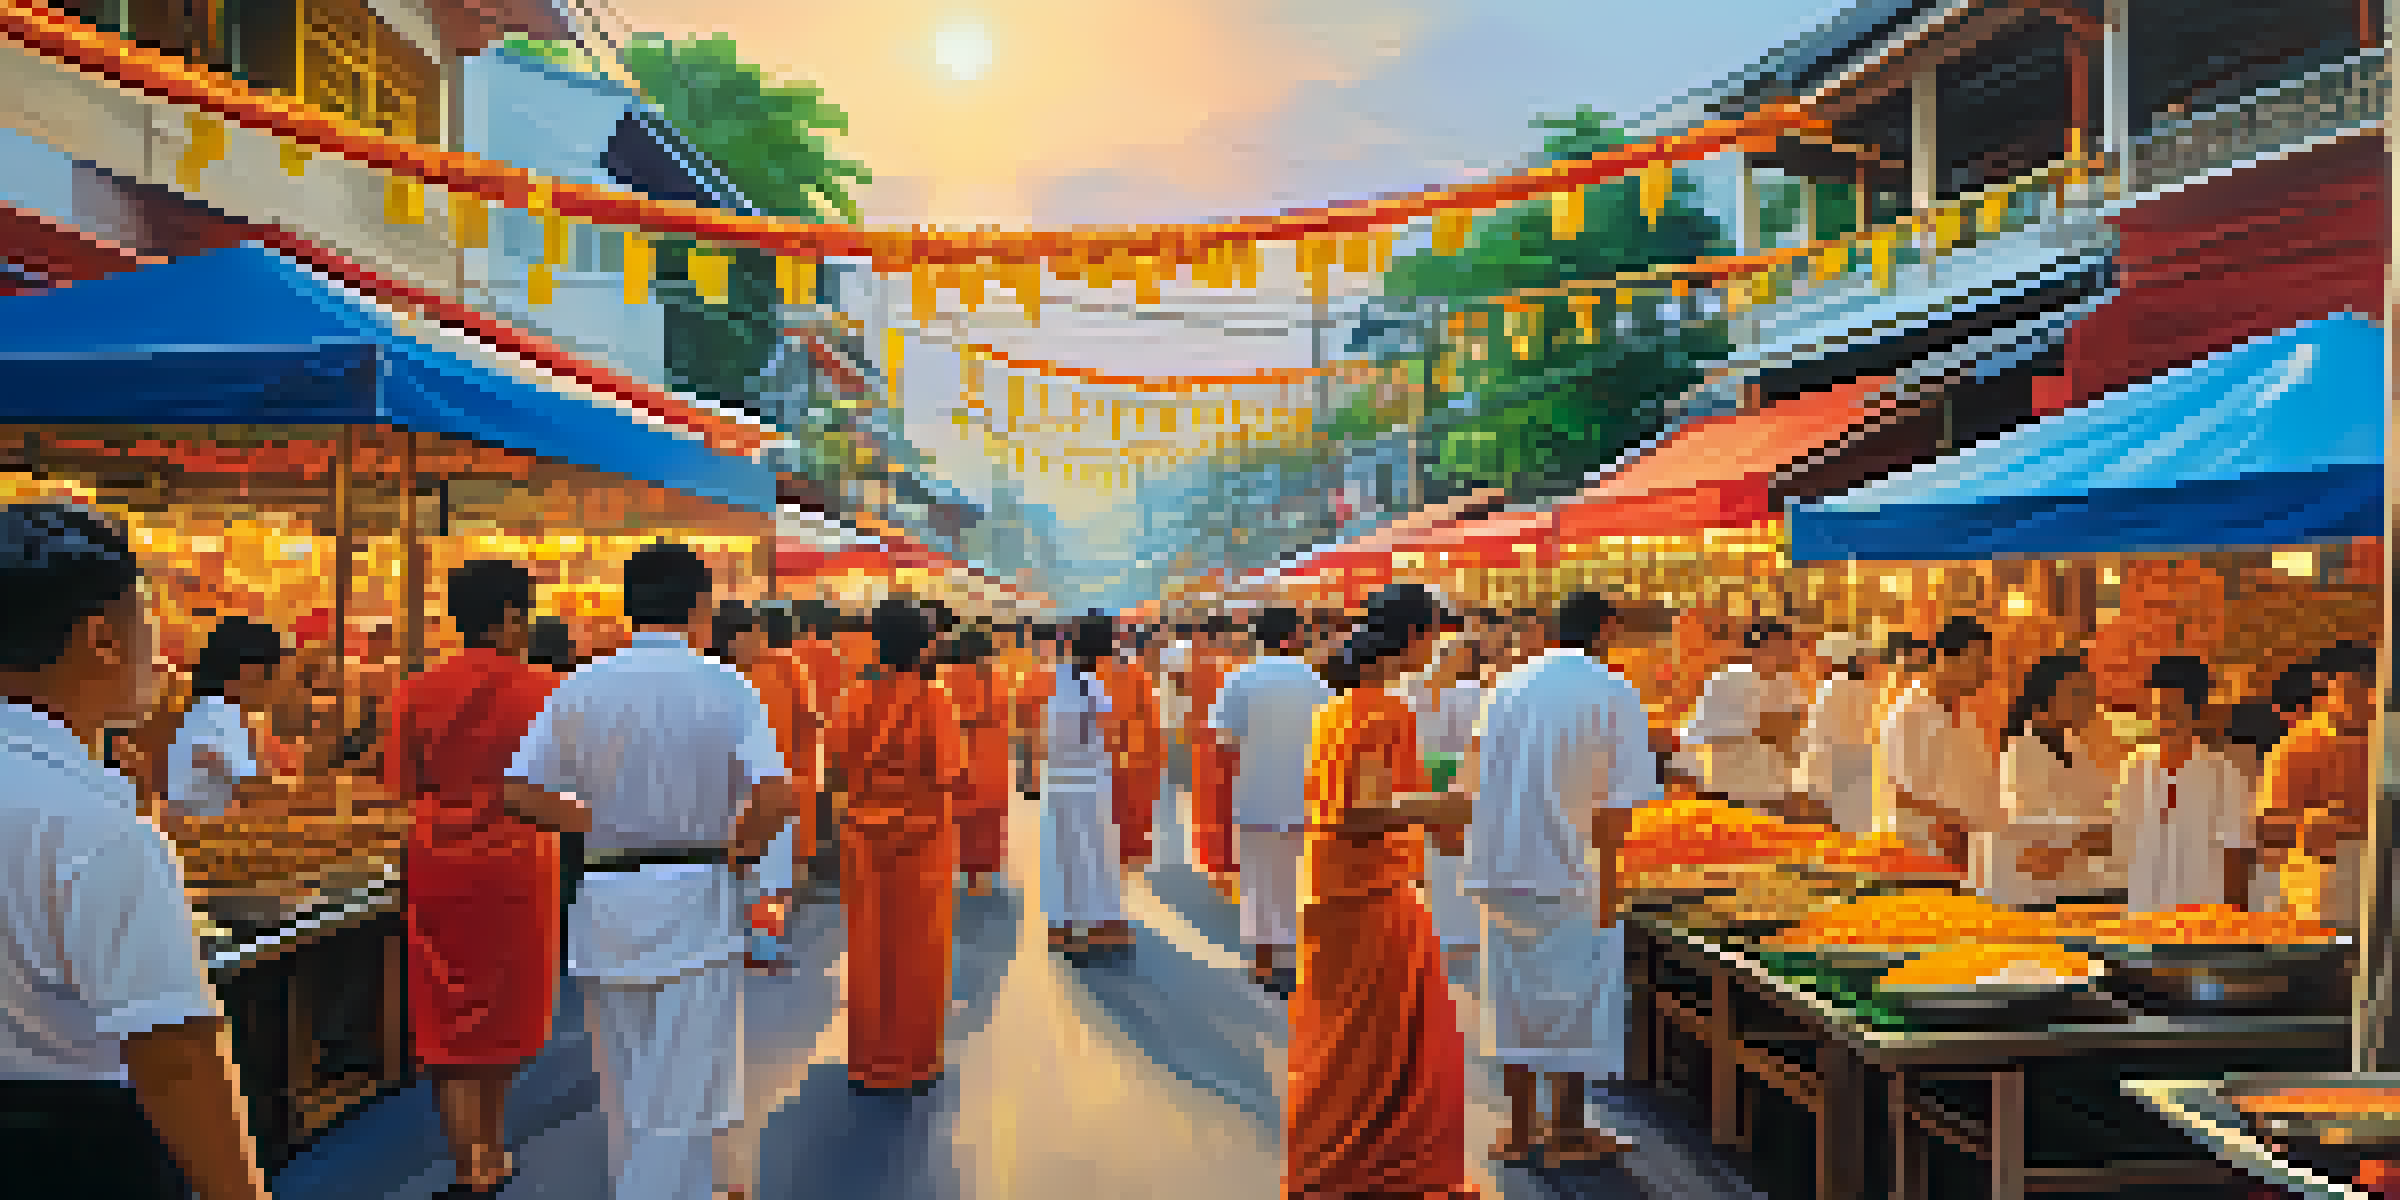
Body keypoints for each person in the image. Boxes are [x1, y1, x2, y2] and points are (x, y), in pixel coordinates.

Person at [0, 503, 271, 1200]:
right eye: (149, 623)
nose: (165, 652)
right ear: (101, 638)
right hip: (70, 1152)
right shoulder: (95, 822)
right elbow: (174, 1053)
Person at [506, 542, 792, 1200]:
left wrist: (602, 825)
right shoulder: (727, 686)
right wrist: (740, 849)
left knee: (629, 1088)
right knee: (680, 1089)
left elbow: (518, 793)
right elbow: (776, 795)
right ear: (701, 609)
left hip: (607, 898)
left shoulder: (581, 685)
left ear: (630, 608)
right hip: (694, 895)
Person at [387, 561, 573, 1196]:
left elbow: (402, 787)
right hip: (519, 865)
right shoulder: (548, 690)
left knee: (448, 1014)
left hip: (438, 860)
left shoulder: (415, 690)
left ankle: (474, 1157)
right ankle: (484, 1156)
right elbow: (563, 787)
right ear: (512, 616)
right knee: (505, 1014)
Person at [1286, 583, 1475, 1200]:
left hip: (1337, 887)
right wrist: (1447, 805)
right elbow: (1364, 813)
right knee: (1384, 1049)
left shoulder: (1342, 706)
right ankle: (1378, 1170)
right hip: (1370, 892)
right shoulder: (1380, 711)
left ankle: (1339, 1163)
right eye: (1434, 636)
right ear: (1416, 637)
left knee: (1345, 1044)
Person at [1466, 591, 1656, 1166]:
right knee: (1578, 1000)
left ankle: (1520, 1130)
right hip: (1572, 868)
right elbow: (1618, 808)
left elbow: (1475, 773)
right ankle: (1569, 1131)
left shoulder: (1507, 686)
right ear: (1604, 629)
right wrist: (1611, 879)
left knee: (1511, 997)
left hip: (1501, 864)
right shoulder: (1614, 693)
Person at [825, 599, 964, 1092]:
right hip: (923, 838)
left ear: (875, 641)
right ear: (926, 643)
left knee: (868, 946)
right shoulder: (936, 699)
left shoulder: (853, 697)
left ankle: (869, 1062)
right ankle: (914, 1062)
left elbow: (836, 766)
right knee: (920, 947)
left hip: (864, 835)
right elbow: (948, 773)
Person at [1210, 607, 1333, 990]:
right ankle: (1298, 959)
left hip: (1257, 796)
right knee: (1303, 881)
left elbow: (1224, 740)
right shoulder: (1315, 681)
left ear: (1257, 637)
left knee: (1260, 883)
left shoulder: (1241, 680)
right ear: (1294, 637)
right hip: (1305, 797)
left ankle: (1265, 963)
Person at [2118, 656, 2254, 913]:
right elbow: (2123, 839)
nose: (2163, 721)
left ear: (2196, 714)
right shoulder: (2134, 768)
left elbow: (2237, 859)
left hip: (2203, 925)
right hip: (2144, 918)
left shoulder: (2224, 776)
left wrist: (2234, 924)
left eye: (2173, 712)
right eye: (2158, 711)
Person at [1989, 654, 2116, 909]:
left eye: (2089, 693)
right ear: (2047, 700)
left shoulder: (2077, 750)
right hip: (2037, 898)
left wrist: (2088, 837)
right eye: (2078, 693)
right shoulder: (2020, 755)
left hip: (2080, 889)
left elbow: (2110, 820)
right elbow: (2037, 841)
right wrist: (2087, 838)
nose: (2089, 703)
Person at [2263, 643, 2373, 930]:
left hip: (2378, 892)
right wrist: (2306, 824)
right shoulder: (2296, 747)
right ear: (2327, 687)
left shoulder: (2385, 744)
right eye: (2355, 685)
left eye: (2370, 686)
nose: (2366, 698)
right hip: (2314, 895)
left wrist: (2349, 826)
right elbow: (2270, 828)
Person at [1880, 617, 1999, 875]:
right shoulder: (1908, 713)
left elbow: (1980, 786)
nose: (1986, 673)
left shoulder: (1965, 715)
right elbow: (1903, 793)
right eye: (1977, 662)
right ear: (1946, 659)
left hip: (1969, 856)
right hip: (1924, 859)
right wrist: (1957, 829)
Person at [1037, 616, 1125, 955]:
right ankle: (1098, 922)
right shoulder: (1097, 682)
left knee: (1063, 851)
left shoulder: (1057, 679)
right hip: (1091, 776)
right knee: (1095, 850)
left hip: (1063, 777)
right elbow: (1108, 731)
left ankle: (1064, 926)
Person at [164, 616, 287, 833]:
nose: (277, 686)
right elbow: (252, 787)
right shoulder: (218, 713)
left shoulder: (208, 711)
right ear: (250, 672)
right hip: (209, 836)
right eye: (273, 675)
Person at [1679, 620, 1812, 817]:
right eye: (1780, 647)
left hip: (1768, 787)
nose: (1790, 655)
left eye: (1790, 648)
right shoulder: (1729, 680)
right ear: (1758, 650)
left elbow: (1791, 743)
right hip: (1725, 782)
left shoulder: (1788, 686)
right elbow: (1709, 740)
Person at [1406, 629, 1485, 958]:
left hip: (1461, 778)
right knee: (1435, 856)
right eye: (1447, 653)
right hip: (1427, 777)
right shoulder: (1415, 689)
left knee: (1458, 853)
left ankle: (1461, 929)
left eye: (1459, 653)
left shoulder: (1475, 693)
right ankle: (1442, 927)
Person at [1095, 622, 1162, 948]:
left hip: (1092, 768)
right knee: (1119, 842)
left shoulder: (1076, 677)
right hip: (1129, 764)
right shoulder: (1135, 674)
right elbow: (1151, 721)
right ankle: (1111, 918)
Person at [939, 625, 1012, 895]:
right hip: (990, 762)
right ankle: (979, 880)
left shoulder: (944, 679)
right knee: (987, 823)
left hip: (955, 759)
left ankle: (953, 871)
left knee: (957, 818)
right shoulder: (997, 679)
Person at [1798, 634, 1880, 834]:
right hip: (1857, 770)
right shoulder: (1864, 691)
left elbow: (1817, 735)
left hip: (1833, 769)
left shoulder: (1829, 688)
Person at [1183, 619, 1240, 895]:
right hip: (1227, 742)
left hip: (1203, 739)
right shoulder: (1232, 665)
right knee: (1225, 803)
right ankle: (1226, 861)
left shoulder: (1195, 663)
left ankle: (1213, 861)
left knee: (1208, 802)